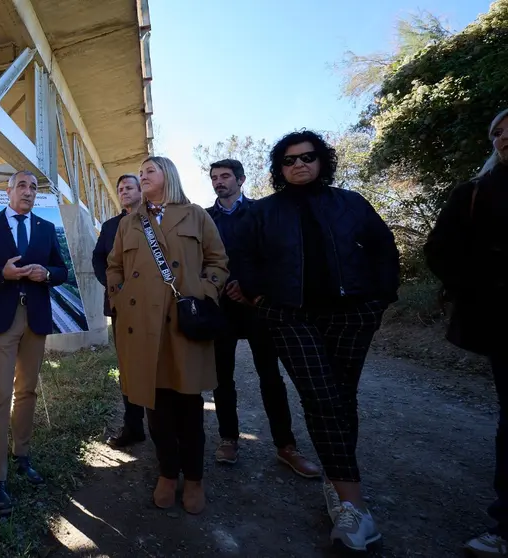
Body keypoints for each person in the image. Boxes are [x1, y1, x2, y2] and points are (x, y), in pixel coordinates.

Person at [235, 131, 399, 551]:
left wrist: (380, 300)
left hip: (352, 315)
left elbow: (384, 248)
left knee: (342, 398)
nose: (299, 165)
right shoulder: (265, 212)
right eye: (289, 161)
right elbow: (245, 257)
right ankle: (354, 507)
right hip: (290, 316)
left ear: (322, 160)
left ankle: (336, 480)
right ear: (279, 168)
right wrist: (258, 296)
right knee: (321, 396)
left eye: (307, 157)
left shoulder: (351, 203)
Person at [106, 155, 228, 514]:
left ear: (167, 176)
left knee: (189, 404)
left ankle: (194, 478)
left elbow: (218, 261)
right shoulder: (130, 223)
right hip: (141, 325)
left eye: (149, 171)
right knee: (155, 405)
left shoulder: (196, 215)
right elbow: (114, 266)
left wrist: (205, 292)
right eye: (140, 172)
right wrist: (120, 297)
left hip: (183, 323)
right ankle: (166, 473)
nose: (142, 176)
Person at [425, 108, 508, 558]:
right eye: (497, 131)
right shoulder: (474, 193)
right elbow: (440, 250)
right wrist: (483, 290)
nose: (504, 136)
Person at [0, 170, 68, 515]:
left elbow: (62, 270)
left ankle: (21, 455)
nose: (28, 191)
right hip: (1, 319)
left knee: (28, 391)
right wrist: (1, 274)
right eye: (21, 185)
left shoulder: (45, 228)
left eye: (33, 187)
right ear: (8, 191)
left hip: (35, 318)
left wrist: (47, 274)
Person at [205, 159, 319, 478]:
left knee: (270, 377)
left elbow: (274, 256)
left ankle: (286, 446)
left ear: (240, 179)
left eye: (225, 176)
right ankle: (228, 439)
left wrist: (253, 291)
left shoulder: (261, 212)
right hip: (220, 308)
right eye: (214, 177)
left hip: (258, 307)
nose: (219, 182)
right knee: (221, 379)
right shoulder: (204, 218)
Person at [92, 174, 146, 448]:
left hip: (154, 306)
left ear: (141, 191)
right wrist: (111, 285)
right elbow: (98, 257)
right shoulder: (110, 225)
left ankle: (166, 427)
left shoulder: (156, 220)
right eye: (120, 188)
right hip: (120, 304)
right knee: (128, 366)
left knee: (156, 364)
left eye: (129, 188)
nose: (123, 191)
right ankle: (133, 426)